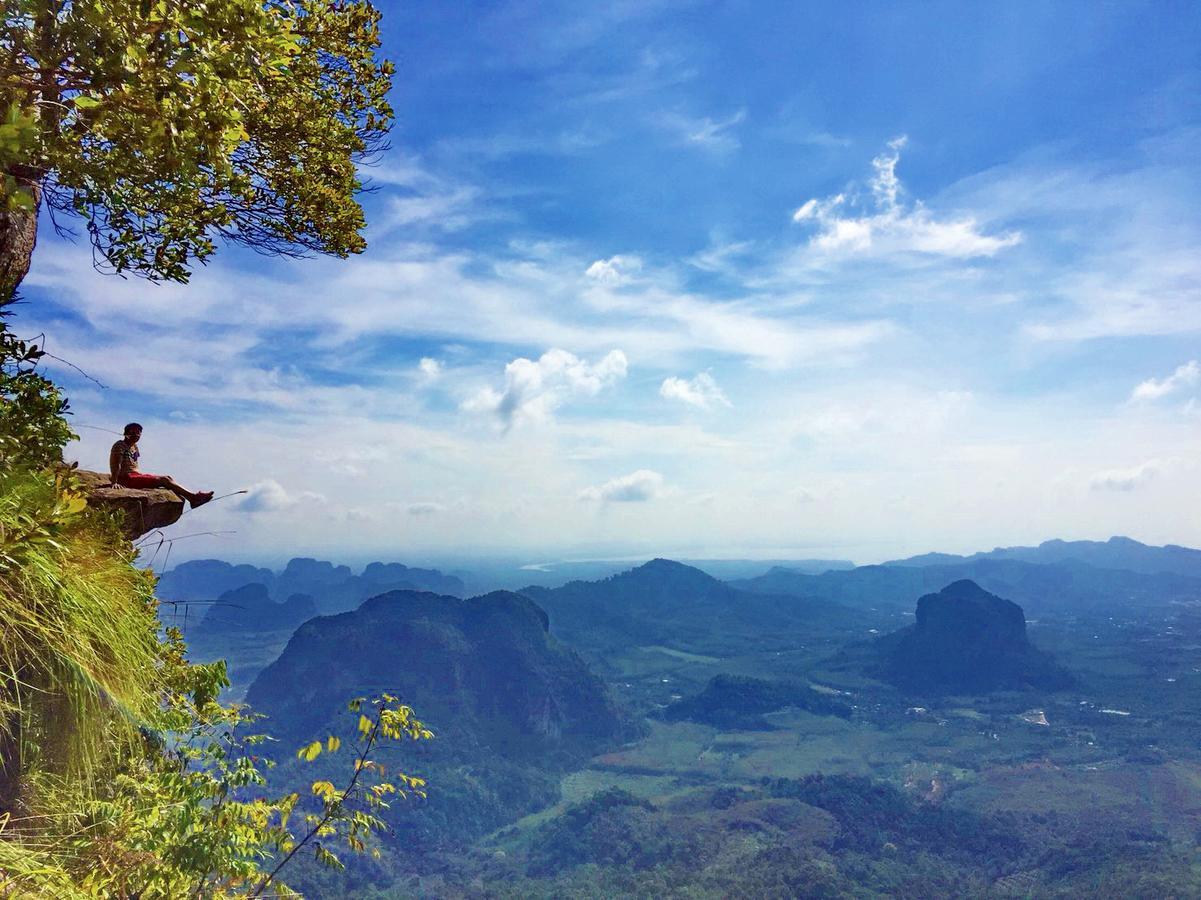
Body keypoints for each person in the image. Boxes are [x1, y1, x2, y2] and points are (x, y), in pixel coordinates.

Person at [109, 423, 214, 508]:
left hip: (135, 475)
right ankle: (194, 497)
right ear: (126, 433)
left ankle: (192, 498)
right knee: (164, 480)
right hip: (127, 478)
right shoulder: (119, 445)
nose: (137, 435)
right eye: (133, 432)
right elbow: (116, 464)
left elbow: (134, 462)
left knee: (168, 478)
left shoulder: (134, 447)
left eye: (139, 433)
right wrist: (115, 482)